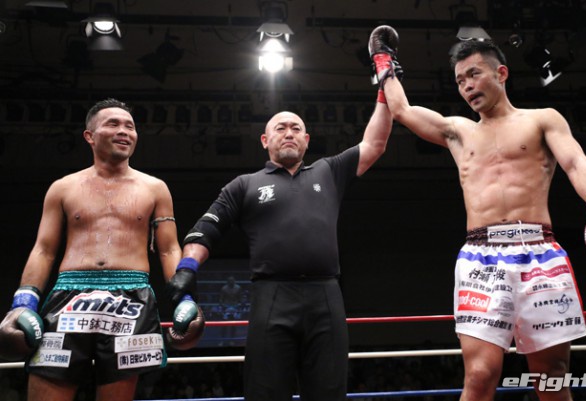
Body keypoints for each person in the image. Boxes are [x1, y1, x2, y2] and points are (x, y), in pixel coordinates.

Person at [368, 26, 586, 401]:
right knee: (479, 375)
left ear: (501, 73)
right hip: (483, 257)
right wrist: (383, 62)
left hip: (540, 253)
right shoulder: (458, 131)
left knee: (552, 376)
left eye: (474, 74)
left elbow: (576, 162)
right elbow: (402, 110)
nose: (467, 86)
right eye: (460, 81)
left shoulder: (542, 119)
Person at [165, 97, 393, 399]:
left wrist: (384, 92)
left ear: (306, 140)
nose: (289, 133)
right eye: (281, 128)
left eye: (296, 129)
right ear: (264, 140)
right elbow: (206, 229)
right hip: (271, 296)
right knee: (265, 392)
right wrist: (186, 269)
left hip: (326, 296)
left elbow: (375, 144)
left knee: (329, 391)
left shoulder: (329, 171)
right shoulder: (244, 185)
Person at [0, 98, 185, 401]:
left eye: (130, 126)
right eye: (113, 124)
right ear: (90, 135)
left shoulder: (155, 188)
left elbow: (168, 250)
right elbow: (43, 250)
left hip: (132, 298)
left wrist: (183, 297)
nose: (124, 131)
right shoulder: (63, 187)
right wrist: (23, 302)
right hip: (69, 297)